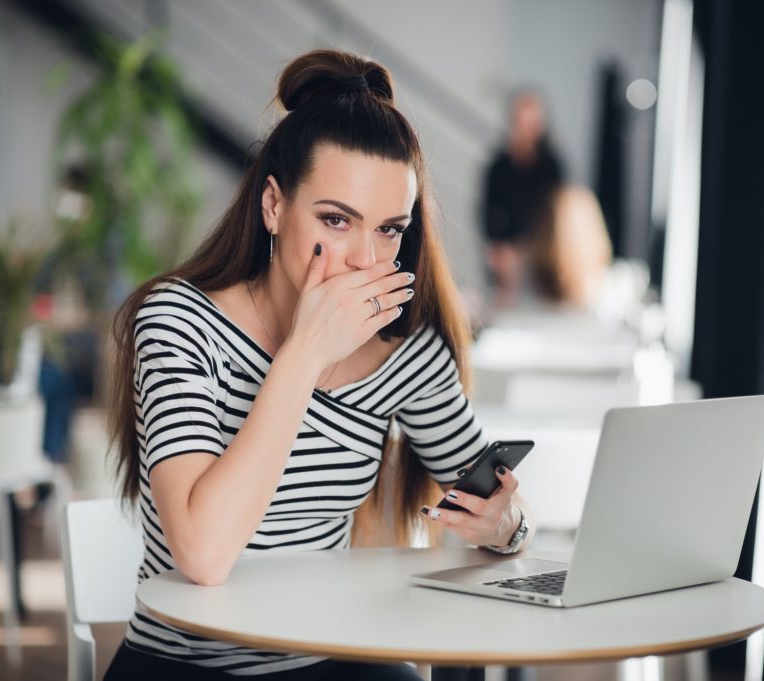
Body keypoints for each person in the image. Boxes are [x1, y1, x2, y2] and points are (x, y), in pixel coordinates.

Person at [104, 50, 533, 680]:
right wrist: (304, 354)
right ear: (274, 207)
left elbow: (494, 502)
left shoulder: (404, 356)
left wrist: (507, 527)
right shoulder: (178, 321)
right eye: (336, 220)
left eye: (390, 230)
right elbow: (201, 553)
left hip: (323, 657)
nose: (366, 258)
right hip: (183, 663)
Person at [480, 90, 563, 308]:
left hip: (544, 248)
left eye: (532, 124)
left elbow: (558, 215)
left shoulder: (552, 166)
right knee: (504, 264)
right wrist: (499, 247)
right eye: (522, 123)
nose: (527, 130)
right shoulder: (498, 166)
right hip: (509, 250)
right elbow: (488, 214)